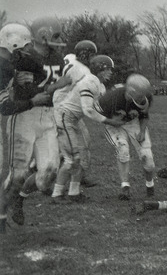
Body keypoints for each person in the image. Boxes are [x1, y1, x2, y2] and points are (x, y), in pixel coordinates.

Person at [2, 18, 65, 227]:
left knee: (49, 174)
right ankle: (1, 217)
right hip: (24, 116)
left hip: (47, 115)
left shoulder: (58, 58)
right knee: (17, 174)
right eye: (56, 35)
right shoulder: (20, 58)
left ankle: (20, 198)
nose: (59, 40)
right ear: (43, 35)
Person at [50, 49, 114, 204]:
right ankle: (57, 194)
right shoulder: (89, 82)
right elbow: (88, 110)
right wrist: (110, 121)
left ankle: (74, 192)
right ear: (100, 69)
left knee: (83, 157)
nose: (111, 73)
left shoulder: (99, 85)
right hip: (65, 118)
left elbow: (98, 107)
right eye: (108, 70)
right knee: (71, 159)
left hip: (74, 119)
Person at [95, 73, 157, 201]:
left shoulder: (146, 97)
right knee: (122, 150)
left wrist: (142, 131)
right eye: (140, 95)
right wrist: (112, 122)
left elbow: (144, 116)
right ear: (131, 92)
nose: (143, 98)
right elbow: (95, 115)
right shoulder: (110, 99)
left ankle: (149, 184)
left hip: (133, 123)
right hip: (113, 124)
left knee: (148, 158)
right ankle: (125, 187)